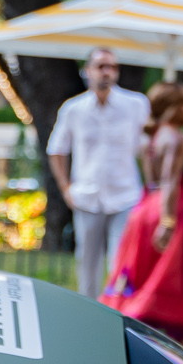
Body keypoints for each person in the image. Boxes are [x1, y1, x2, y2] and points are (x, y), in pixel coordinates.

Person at [100, 81, 183, 352]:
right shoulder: (177, 138)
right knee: (171, 281)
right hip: (170, 212)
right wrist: (168, 221)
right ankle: (181, 346)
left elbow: (154, 183)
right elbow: (170, 181)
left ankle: (126, 336)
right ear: (170, 109)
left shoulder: (150, 140)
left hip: (144, 211)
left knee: (139, 278)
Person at [46, 47, 151, 299]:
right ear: (88, 71)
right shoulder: (74, 108)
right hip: (87, 197)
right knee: (87, 263)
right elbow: (56, 150)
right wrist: (65, 188)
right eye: (101, 66)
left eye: (112, 67)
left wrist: (151, 189)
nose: (107, 72)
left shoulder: (136, 104)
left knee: (121, 262)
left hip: (125, 195)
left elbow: (148, 149)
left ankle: (118, 312)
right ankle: (89, 314)